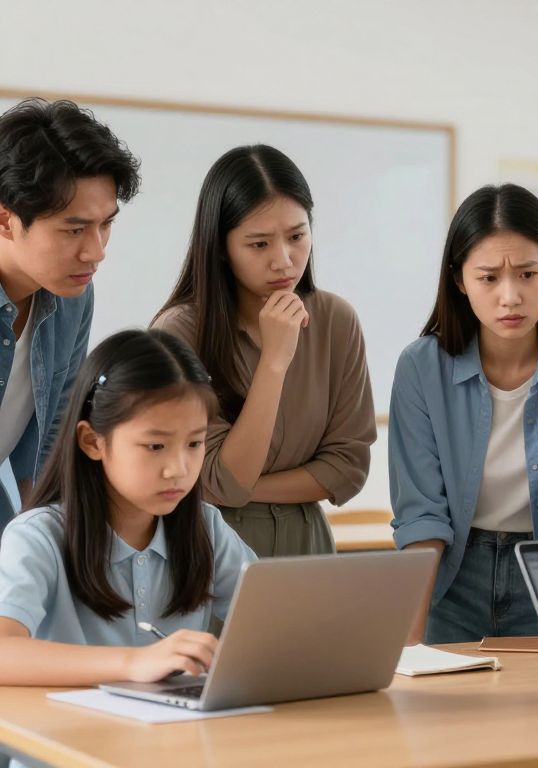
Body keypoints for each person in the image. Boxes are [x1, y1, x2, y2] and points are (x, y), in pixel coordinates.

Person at [390, 184, 538, 644]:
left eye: (528, 274)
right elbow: (422, 514)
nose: (510, 296)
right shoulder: (420, 366)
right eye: (489, 278)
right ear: (460, 280)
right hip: (450, 576)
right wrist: (409, 647)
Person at [153, 145, 375, 558]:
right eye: (259, 244)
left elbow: (348, 468)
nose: (284, 261)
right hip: (212, 547)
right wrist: (274, 361)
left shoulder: (336, 320)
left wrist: (241, 489)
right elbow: (223, 480)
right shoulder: (179, 333)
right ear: (221, 247)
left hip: (308, 546)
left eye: (297, 236)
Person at [0, 329, 256, 685]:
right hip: (69, 721)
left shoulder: (206, 527)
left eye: (195, 443)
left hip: (175, 720)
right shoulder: (37, 536)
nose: (178, 469)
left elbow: (281, 622)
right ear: (92, 442)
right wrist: (134, 663)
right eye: (155, 446)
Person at [0, 98, 140, 530]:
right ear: (5, 219)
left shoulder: (73, 298)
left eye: (106, 224)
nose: (96, 252)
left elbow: (47, 453)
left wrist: (45, 545)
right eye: (74, 229)